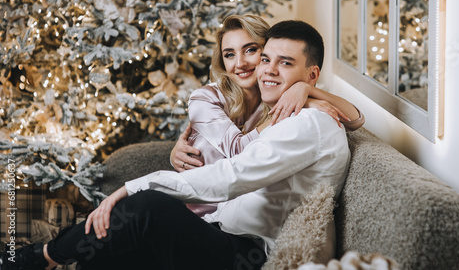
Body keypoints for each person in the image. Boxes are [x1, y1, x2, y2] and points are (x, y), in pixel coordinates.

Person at [0, 20, 352, 270]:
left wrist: (132, 186)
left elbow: (232, 175)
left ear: (311, 74)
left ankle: (39, 257)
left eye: (285, 63)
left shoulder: (308, 121)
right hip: (221, 232)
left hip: (252, 254)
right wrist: (306, 90)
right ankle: (45, 256)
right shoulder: (283, 109)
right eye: (266, 59)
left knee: (149, 205)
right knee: (115, 254)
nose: (267, 70)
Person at [168, 15, 363, 217]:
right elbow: (238, 152)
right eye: (229, 55)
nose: (240, 63)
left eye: (251, 50)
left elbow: (355, 120)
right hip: (196, 213)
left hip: (234, 218)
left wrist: (306, 90)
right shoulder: (205, 98)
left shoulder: (276, 93)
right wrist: (302, 103)